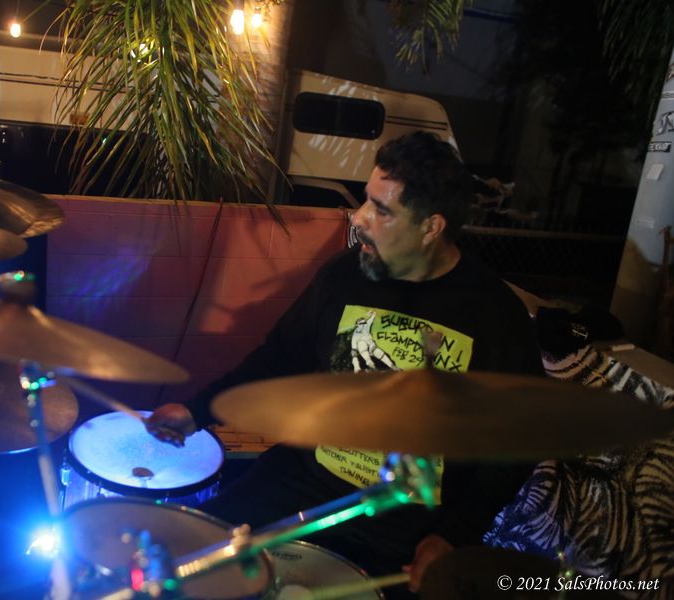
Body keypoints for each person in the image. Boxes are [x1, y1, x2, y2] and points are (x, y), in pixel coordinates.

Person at [146, 132, 544, 597]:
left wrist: (453, 535)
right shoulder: (344, 275)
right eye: (365, 200)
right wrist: (198, 410)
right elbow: (280, 356)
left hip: (399, 521)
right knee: (190, 556)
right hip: (303, 480)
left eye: (382, 209)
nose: (359, 218)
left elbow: (515, 446)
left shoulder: (495, 316)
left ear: (431, 227)